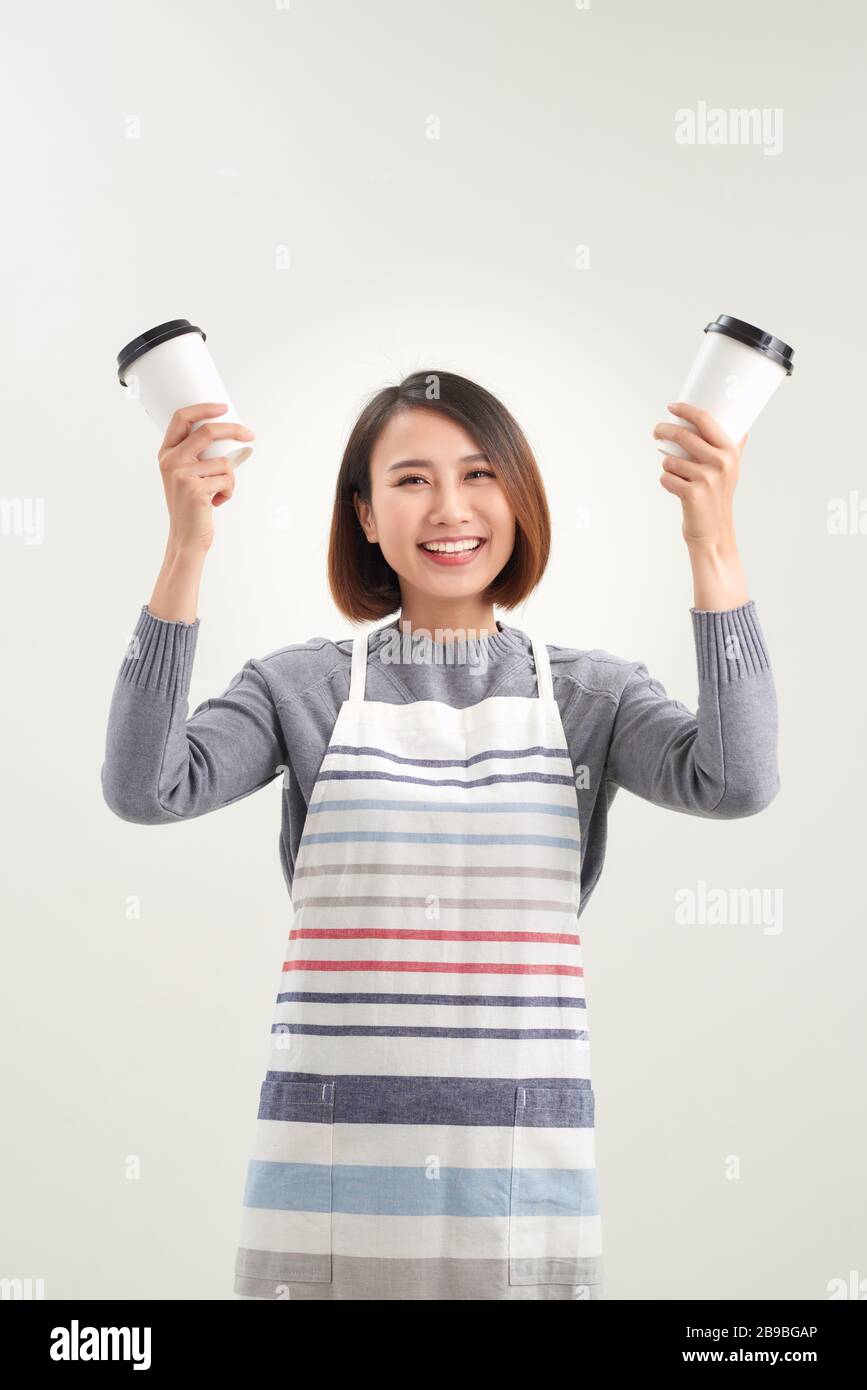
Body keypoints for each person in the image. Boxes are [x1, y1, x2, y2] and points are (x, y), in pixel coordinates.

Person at [101, 370, 779, 1300]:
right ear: (367, 516)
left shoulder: (592, 696)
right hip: (333, 1176)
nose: (449, 509)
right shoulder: (302, 688)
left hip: (516, 1170)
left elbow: (736, 780)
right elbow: (146, 787)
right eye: (411, 480)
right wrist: (186, 548)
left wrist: (713, 542)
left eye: (478, 474)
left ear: (519, 498)